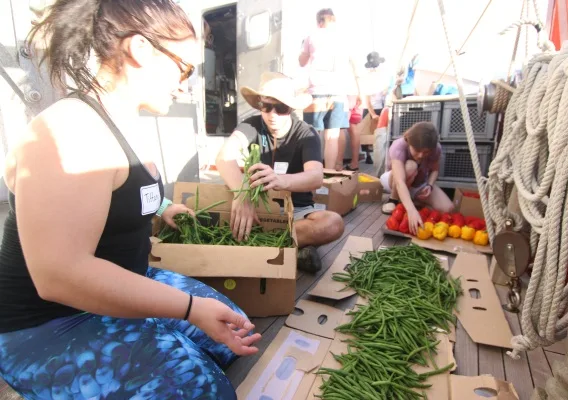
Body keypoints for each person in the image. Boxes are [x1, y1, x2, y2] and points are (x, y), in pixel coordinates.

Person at [0, 1, 260, 399]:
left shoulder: (126, 119)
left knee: (234, 329)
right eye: (184, 68)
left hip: (128, 278)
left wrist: (163, 208)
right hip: (51, 323)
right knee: (205, 391)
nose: (187, 84)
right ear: (140, 49)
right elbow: (59, 275)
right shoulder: (70, 131)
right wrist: (189, 308)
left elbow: (116, 196)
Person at [216, 72, 345, 273]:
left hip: (297, 211)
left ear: (291, 108)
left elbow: (316, 177)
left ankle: (261, 243)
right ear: (260, 104)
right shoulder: (252, 125)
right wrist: (242, 193)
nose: (272, 114)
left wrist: (281, 180)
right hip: (257, 207)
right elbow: (224, 158)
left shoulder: (306, 133)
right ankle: (294, 246)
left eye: (281, 108)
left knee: (333, 223)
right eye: (266, 106)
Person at [298, 8, 361, 170]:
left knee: (312, 135)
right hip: (338, 94)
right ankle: (329, 172)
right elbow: (353, 65)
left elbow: (302, 62)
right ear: (333, 20)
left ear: (319, 22)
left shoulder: (311, 37)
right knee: (332, 136)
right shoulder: (343, 39)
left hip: (317, 93)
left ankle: (313, 173)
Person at [380, 122, 454, 234]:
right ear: (409, 141)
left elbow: (435, 170)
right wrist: (411, 210)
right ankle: (394, 200)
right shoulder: (399, 145)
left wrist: (430, 185)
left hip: (419, 184)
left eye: (425, 152)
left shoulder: (436, 149)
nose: (420, 155)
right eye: (417, 150)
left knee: (448, 209)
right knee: (411, 166)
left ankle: (412, 202)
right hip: (394, 181)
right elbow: (400, 181)